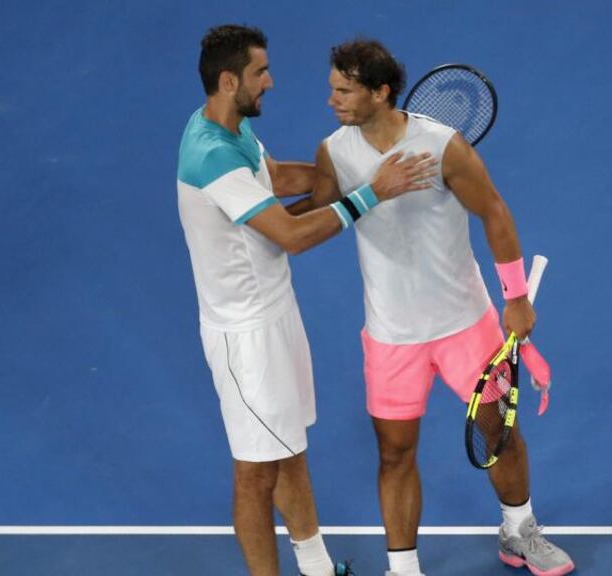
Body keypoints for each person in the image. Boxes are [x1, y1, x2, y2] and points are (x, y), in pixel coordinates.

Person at [304, 39, 576, 576]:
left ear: (380, 93)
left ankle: (519, 529)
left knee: (498, 430)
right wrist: (249, 202)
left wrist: (516, 297)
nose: (331, 99)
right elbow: (318, 208)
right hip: (390, 334)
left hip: (464, 324)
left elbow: (494, 212)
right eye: (332, 87)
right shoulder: (334, 151)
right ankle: (403, 567)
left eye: (344, 89)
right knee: (394, 453)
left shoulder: (443, 145)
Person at [176, 26, 437, 576]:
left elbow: (275, 178)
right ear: (229, 80)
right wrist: (372, 192)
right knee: (256, 473)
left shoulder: (234, 129)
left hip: (275, 315)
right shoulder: (211, 155)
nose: (270, 81)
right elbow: (290, 237)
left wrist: (354, 169)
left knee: (289, 449)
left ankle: (316, 567)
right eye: (259, 73)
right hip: (244, 336)